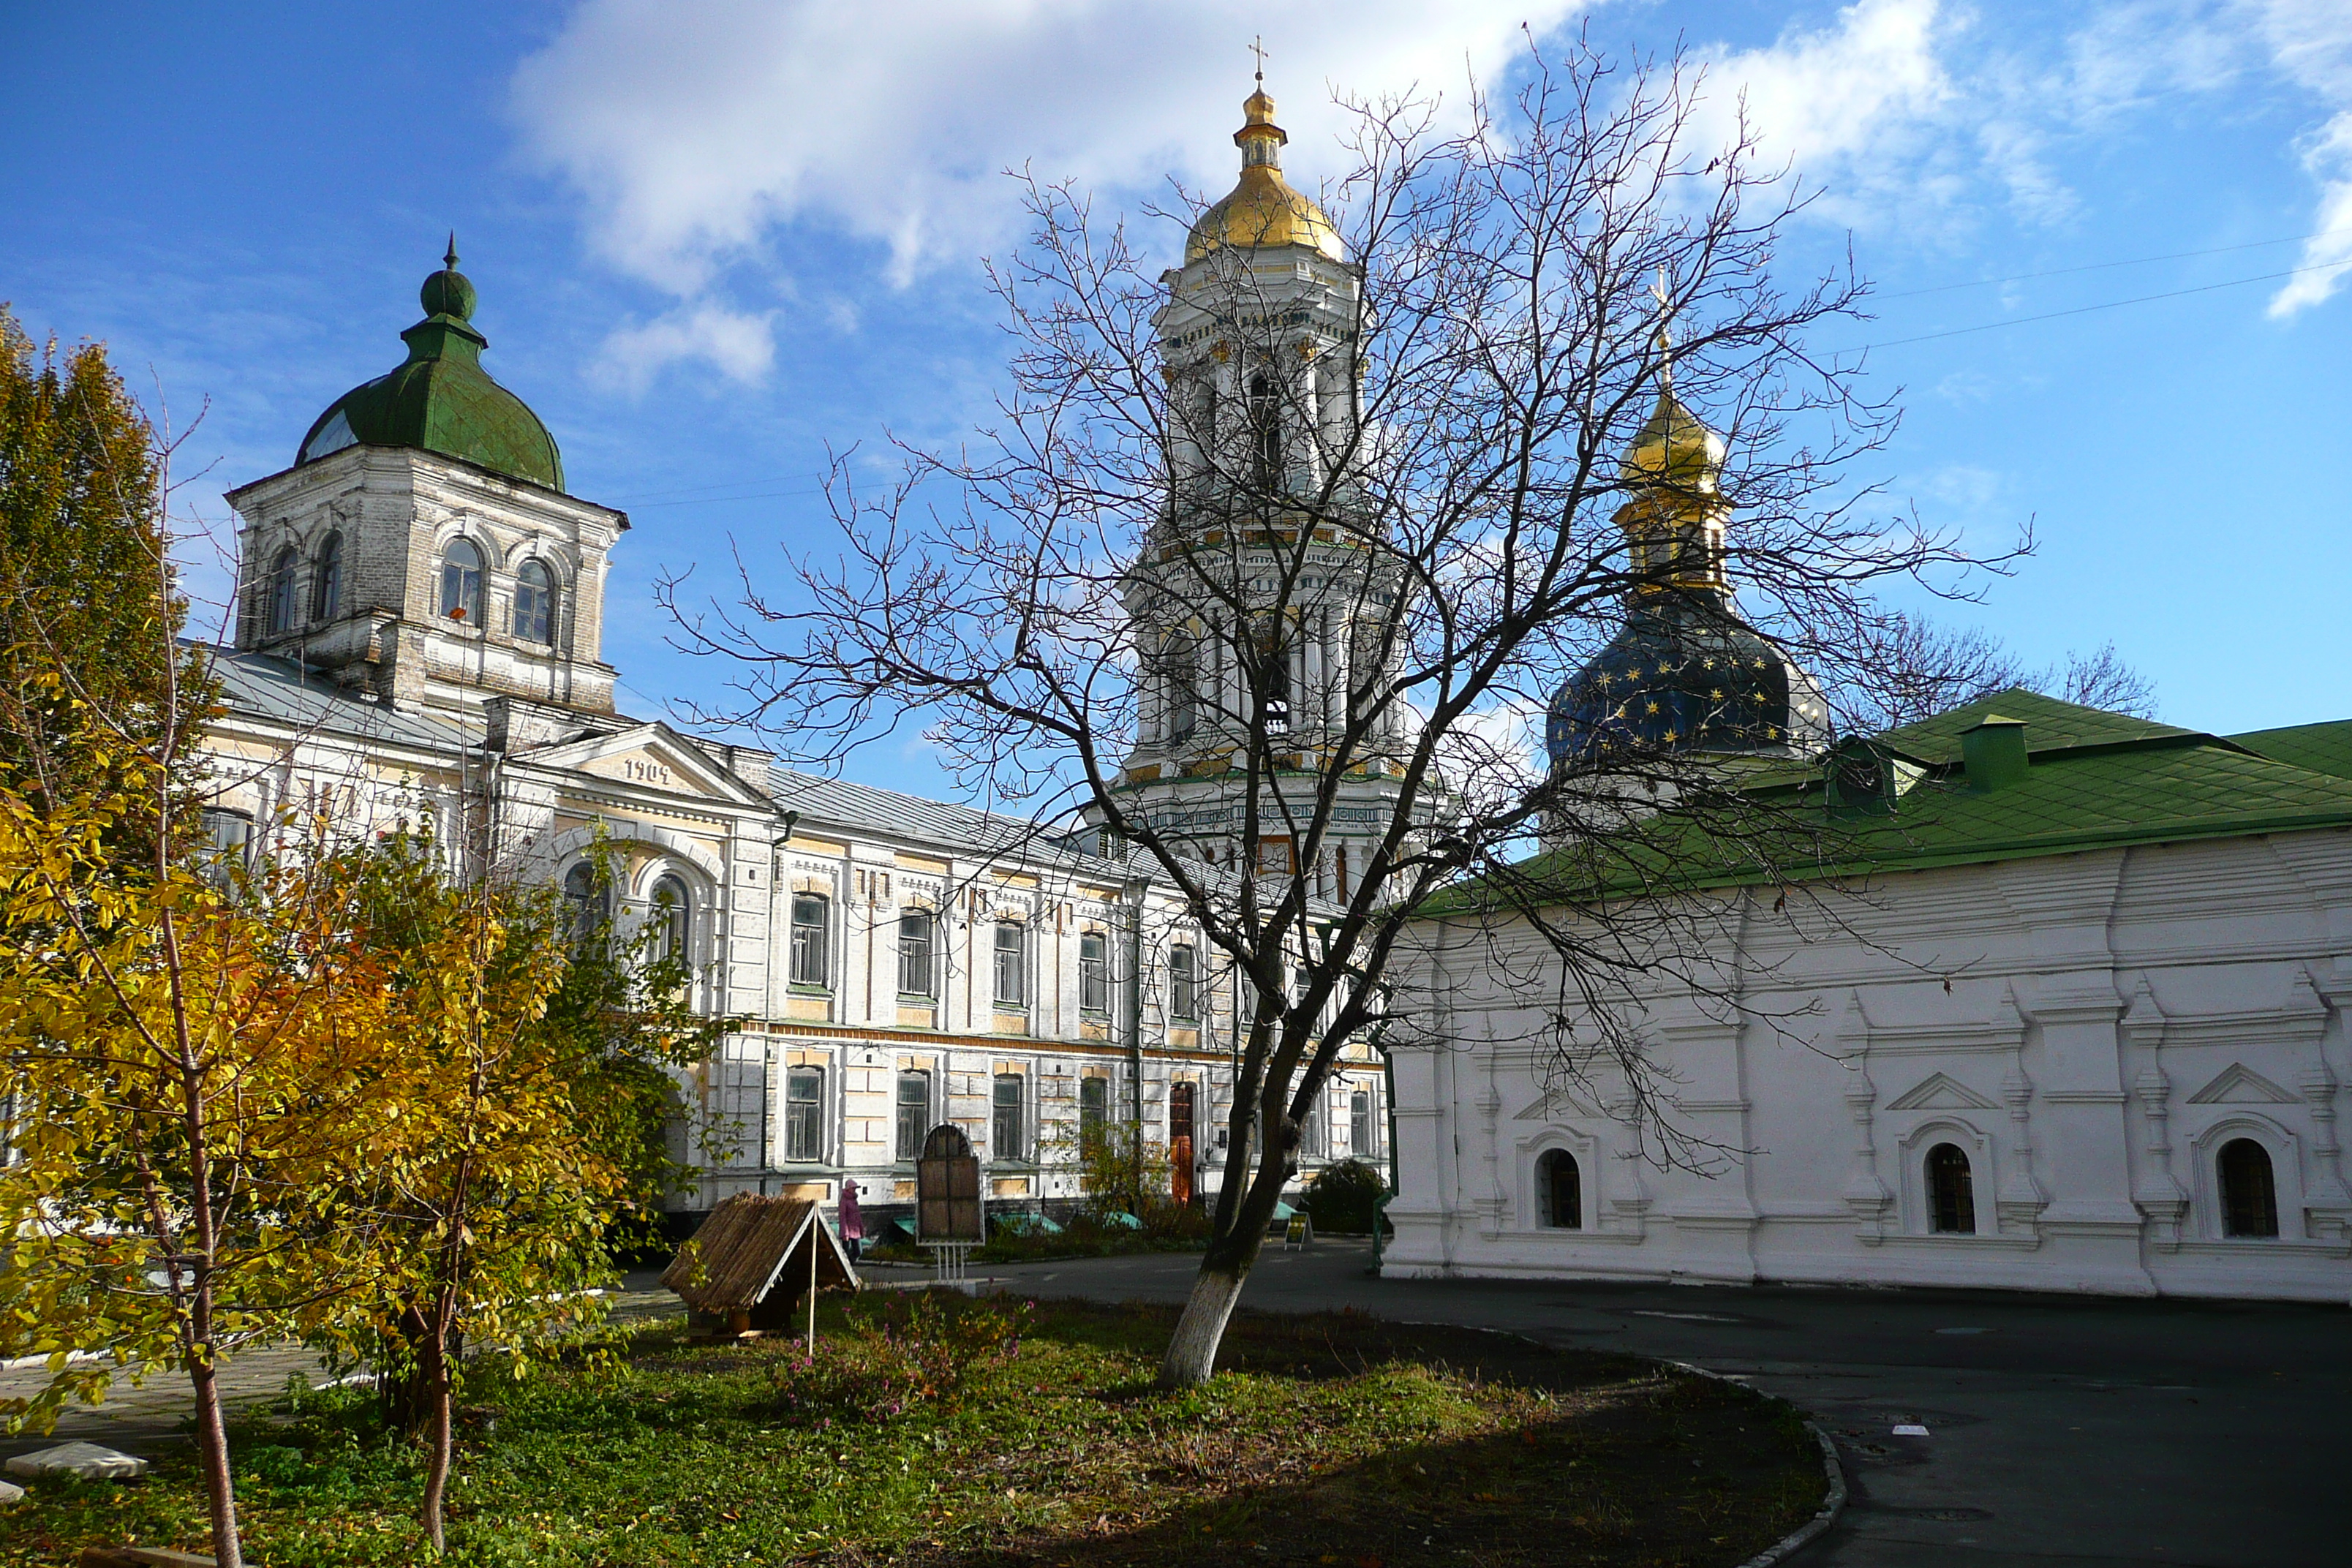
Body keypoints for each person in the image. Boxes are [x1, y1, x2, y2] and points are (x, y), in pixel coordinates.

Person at [837, 1177, 863, 1262]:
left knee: (858, 1251)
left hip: (855, 1230)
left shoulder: (854, 1200)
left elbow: (858, 1216)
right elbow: (842, 1217)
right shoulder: (844, 1201)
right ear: (848, 1188)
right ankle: (847, 1269)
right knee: (846, 1253)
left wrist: (861, 1229)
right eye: (853, 1188)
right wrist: (845, 1233)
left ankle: (849, 1265)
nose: (855, 1190)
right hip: (847, 1231)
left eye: (855, 1188)